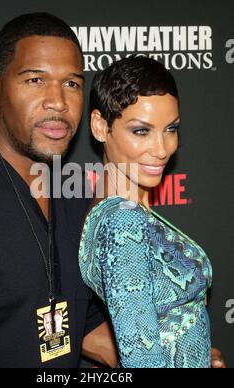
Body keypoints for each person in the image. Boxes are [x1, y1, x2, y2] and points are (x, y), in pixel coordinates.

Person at [0, 12, 225, 369]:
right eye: (36, 80)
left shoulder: (74, 195)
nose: (57, 101)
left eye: (71, 84)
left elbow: (79, 326)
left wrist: (175, 358)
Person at [79, 56, 214, 368]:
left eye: (171, 129)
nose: (162, 148)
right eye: (141, 131)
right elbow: (141, 356)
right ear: (101, 126)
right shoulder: (123, 221)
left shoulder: (124, 211)